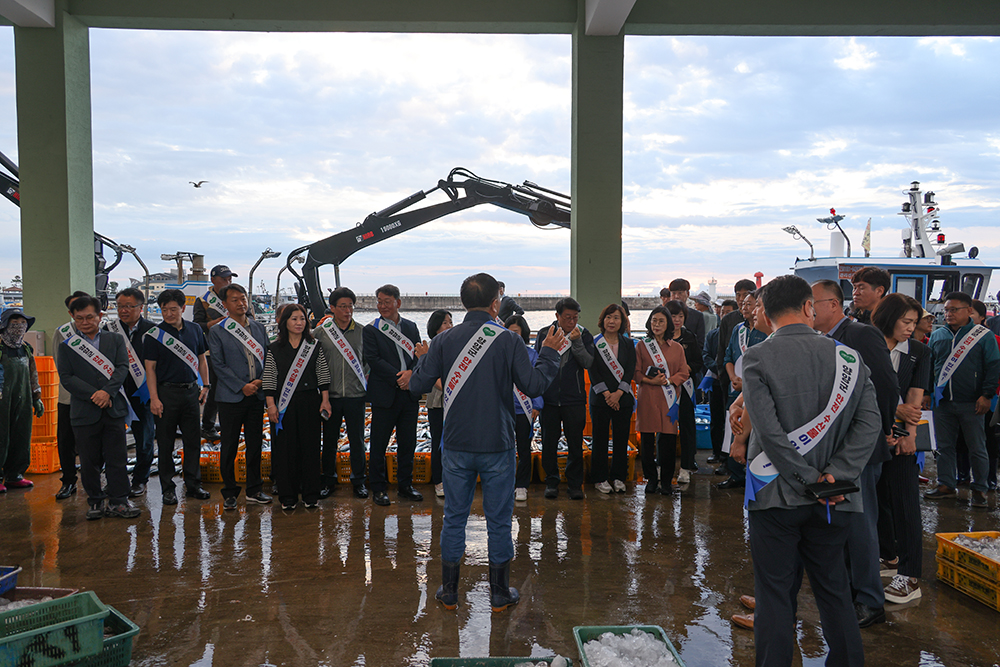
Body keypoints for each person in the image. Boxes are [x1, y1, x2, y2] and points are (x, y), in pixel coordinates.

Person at [741, 274, 880, 667]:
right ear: (808, 307)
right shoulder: (849, 358)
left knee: (774, 593)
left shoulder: (756, 357)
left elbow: (768, 432)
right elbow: (870, 423)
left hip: (775, 496)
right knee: (835, 590)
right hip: (835, 498)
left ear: (765, 315)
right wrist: (835, 475)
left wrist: (806, 478)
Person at [408, 272, 562, 612]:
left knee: (454, 517)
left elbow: (417, 383)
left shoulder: (444, 341)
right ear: (496, 303)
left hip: (457, 443)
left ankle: (449, 592)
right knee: (498, 519)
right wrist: (550, 353)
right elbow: (534, 385)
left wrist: (423, 357)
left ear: (464, 302)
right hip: (498, 443)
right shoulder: (508, 340)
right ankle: (498, 593)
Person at [812, 279, 899, 628]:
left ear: (833, 304)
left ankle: (870, 600)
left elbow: (886, 387)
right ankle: (849, 593)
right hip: (834, 450)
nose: (809, 309)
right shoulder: (821, 341)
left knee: (861, 526)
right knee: (841, 525)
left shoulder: (860, 335)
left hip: (859, 449)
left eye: (813, 302)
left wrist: (878, 430)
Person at [870, 293, 931, 604]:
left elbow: (915, 398)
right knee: (877, 498)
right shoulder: (870, 346)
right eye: (906, 322)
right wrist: (896, 411)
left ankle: (909, 574)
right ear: (888, 317)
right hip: (870, 435)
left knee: (906, 503)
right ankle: (888, 556)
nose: (911, 328)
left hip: (899, 436)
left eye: (914, 323)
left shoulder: (919, 352)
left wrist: (908, 435)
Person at [56, 296, 141, 519]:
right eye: (79, 318)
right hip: (84, 411)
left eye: (90, 317)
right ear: (72, 317)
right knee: (88, 460)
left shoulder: (114, 340)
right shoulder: (68, 346)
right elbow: (66, 378)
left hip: (113, 408)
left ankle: (119, 501)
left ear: (100, 316)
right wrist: (94, 394)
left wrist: (107, 392)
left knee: (117, 457)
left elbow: (123, 368)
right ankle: (95, 502)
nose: (85, 322)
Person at [924, 291, 1000, 508]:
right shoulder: (938, 335)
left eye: (953, 310)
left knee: (977, 447)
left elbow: (994, 366)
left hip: (973, 402)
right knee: (944, 446)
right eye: (946, 310)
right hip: (942, 403)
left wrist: (987, 395)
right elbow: (931, 367)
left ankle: (980, 489)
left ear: (969, 311)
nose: (948, 314)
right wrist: (928, 392)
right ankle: (946, 485)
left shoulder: (982, 336)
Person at [144, 288, 212, 506]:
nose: (169, 314)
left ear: (183, 308)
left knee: (193, 440)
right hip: (166, 393)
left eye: (173, 309)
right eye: (164, 310)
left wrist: (206, 386)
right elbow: (150, 370)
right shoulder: (155, 335)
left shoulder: (194, 330)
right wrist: (154, 398)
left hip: (191, 392)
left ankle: (193, 484)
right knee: (165, 443)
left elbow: (202, 360)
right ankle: (168, 488)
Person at [208, 283, 271, 510]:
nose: (241, 303)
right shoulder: (217, 331)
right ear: (224, 305)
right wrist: (241, 385)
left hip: (256, 395)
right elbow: (218, 364)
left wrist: (260, 381)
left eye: (243, 298)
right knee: (229, 446)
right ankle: (230, 493)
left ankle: (255, 489)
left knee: (255, 444)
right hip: (231, 397)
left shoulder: (259, 328)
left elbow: (268, 357)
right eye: (234, 300)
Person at [263, 304, 332, 510]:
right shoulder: (274, 348)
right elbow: (269, 379)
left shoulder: (314, 345)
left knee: (310, 448)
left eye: (302, 319)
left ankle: (311, 494)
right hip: (284, 405)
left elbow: (323, 374)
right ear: (284, 322)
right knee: (285, 450)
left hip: (310, 401)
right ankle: (288, 495)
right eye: (294, 319)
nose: (299, 323)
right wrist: (270, 406)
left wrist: (325, 399)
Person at [363, 284, 426, 506]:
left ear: (398, 303)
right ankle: (379, 488)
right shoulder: (371, 329)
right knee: (379, 444)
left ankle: (405, 486)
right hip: (385, 394)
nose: (382, 306)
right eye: (379, 301)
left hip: (408, 394)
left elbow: (419, 355)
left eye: (387, 301)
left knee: (407, 442)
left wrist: (411, 374)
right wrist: (399, 377)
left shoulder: (411, 327)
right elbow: (373, 359)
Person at [535, 297, 595, 499]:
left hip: (574, 398)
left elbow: (587, 362)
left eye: (575, 318)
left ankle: (575, 484)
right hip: (549, 399)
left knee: (575, 444)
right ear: (557, 316)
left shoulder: (584, 334)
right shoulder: (545, 334)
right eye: (567, 318)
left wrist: (577, 342)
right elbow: (538, 362)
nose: (571, 322)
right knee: (549, 443)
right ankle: (551, 482)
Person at [314, 287, 369, 500]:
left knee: (357, 440)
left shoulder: (363, 332)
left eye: (350, 306)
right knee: (329, 440)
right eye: (343, 306)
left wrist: (364, 379)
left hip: (356, 396)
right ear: (332, 308)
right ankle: (328, 480)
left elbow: (368, 362)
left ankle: (358, 481)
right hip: (330, 397)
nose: (347, 311)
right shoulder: (320, 333)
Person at [105, 288, 156, 497]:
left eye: (129, 306)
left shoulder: (152, 330)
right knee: (114, 441)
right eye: (120, 307)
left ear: (141, 308)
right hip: (116, 393)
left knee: (144, 439)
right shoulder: (109, 330)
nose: (123, 311)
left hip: (142, 393)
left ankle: (140, 480)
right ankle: (116, 481)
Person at [634, 306, 689, 495]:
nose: (656, 324)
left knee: (668, 442)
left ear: (668, 325)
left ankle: (666, 481)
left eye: (661, 321)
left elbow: (684, 372)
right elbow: (637, 372)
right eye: (654, 320)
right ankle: (651, 480)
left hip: (669, 399)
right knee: (647, 443)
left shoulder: (677, 348)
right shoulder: (642, 345)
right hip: (648, 397)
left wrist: (669, 381)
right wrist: (652, 381)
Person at [718, 291, 769, 489]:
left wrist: (745, 384)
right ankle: (735, 473)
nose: (745, 307)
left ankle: (751, 474)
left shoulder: (765, 333)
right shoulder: (738, 329)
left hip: (753, 390)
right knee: (734, 428)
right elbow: (728, 357)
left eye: (751, 304)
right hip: (736, 389)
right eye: (744, 304)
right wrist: (732, 377)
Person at [588, 304, 636, 494]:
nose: (612, 321)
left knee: (621, 439)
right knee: (599, 439)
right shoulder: (594, 342)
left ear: (622, 321)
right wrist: (607, 394)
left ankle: (618, 477)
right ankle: (600, 478)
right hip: (600, 400)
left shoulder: (628, 344)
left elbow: (629, 370)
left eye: (616, 318)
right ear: (603, 320)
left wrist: (618, 393)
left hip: (622, 399)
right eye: (608, 317)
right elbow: (593, 370)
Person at [52, 290, 91, 500]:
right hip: (68, 397)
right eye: (77, 309)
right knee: (66, 440)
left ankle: (93, 481)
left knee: (93, 441)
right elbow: (60, 365)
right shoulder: (62, 332)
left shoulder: (102, 332)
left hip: (96, 398)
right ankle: (68, 481)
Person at [0, 308, 42, 493]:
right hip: (2, 400)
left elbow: (33, 372)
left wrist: (36, 397)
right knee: (1, 437)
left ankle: (15, 475)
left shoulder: (26, 348)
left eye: (22, 325)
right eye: (14, 324)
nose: (19, 329)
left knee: (21, 436)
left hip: (23, 398)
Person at [194, 264, 236, 441]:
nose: (228, 282)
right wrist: (212, 324)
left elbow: (249, 318)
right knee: (215, 387)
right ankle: (208, 425)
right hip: (212, 351)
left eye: (230, 279)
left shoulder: (236, 297)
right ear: (213, 280)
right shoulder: (204, 300)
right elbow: (197, 325)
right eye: (224, 279)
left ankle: (224, 423)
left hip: (234, 350)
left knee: (231, 387)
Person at [504, 315, 544, 502]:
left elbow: (537, 382)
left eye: (517, 333)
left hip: (524, 411)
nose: (513, 336)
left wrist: (537, 405)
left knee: (524, 449)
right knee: (503, 449)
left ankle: (521, 486)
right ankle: (504, 484)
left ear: (524, 334)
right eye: (510, 332)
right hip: (503, 410)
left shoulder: (532, 355)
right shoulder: (500, 353)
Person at [664, 300, 704, 484]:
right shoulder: (661, 338)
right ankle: (664, 466)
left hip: (686, 389)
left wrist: (688, 367)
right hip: (664, 389)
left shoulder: (690, 337)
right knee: (664, 428)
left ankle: (686, 467)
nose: (677, 320)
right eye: (673, 316)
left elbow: (698, 362)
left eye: (681, 316)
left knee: (687, 427)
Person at [704, 299, 738, 466]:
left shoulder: (739, 333)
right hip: (715, 382)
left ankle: (727, 456)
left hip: (731, 383)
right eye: (721, 311)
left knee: (728, 419)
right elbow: (706, 355)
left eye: (727, 312)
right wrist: (718, 369)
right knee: (715, 418)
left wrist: (725, 372)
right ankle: (716, 452)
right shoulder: (712, 334)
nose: (723, 315)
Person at [425, 309, 453, 498]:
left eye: (451, 322)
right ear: (435, 327)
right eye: (445, 323)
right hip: (438, 402)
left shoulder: (456, 344)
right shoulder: (431, 346)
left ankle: (452, 478)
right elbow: (430, 375)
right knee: (438, 442)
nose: (450, 326)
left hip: (455, 402)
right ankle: (439, 480)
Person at [662, 279, 705, 347]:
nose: (676, 296)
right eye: (673, 293)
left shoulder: (697, 316)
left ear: (687, 294)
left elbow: (701, 343)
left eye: (680, 293)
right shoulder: (663, 314)